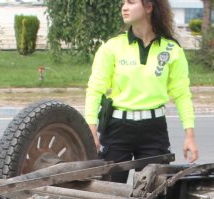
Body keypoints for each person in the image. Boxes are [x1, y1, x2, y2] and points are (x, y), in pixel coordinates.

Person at [84, 0, 197, 182]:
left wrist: (189, 136)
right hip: (117, 129)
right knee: (108, 197)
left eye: (130, 2)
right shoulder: (112, 47)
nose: (124, 8)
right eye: (122, 3)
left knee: (154, 195)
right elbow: (94, 90)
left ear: (148, 7)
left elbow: (182, 95)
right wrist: (91, 129)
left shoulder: (171, 49)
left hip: (154, 130)